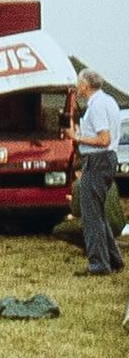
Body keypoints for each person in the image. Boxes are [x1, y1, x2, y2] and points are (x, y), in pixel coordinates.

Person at [66, 68, 124, 276]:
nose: (77, 87)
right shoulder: (109, 101)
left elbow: (103, 139)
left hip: (97, 160)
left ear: (85, 85)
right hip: (106, 159)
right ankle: (113, 258)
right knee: (97, 212)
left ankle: (98, 263)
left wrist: (77, 137)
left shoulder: (97, 105)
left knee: (90, 214)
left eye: (78, 83)